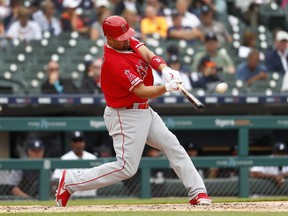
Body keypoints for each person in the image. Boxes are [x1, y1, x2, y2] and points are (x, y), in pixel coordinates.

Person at [55, 15, 211, 207]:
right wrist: (166, 87)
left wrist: (164, 68)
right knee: (126, 168)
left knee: (173, 146)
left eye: (127, 36)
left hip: (144, 110)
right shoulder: (113, 63)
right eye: (121, 39)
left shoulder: (126, 41)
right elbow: (142, 91)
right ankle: (70, 181)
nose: (127, 40)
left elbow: (146, 53)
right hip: (124, 115)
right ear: (109, 39)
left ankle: (198, 192)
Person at [52, 131, 97, 198]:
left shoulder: (92, 158)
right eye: (75, 141)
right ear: (71, 143)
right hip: (71, 198)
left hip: (91, 197)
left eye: (80, 140)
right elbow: (55, 179)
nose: (78, 143)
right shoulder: (64, 159)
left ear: (84, 142)